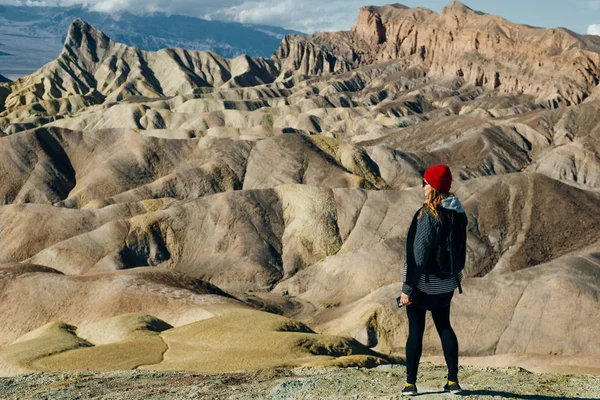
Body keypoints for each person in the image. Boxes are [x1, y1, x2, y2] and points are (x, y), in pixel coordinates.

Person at [400, 164, 468, 397]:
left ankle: (410, 384)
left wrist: (407, 289)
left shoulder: (429, 214)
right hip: (447, 285)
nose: (423, 186)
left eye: (426, 182)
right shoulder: (458, 213)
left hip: (422, 285)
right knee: (445, 327)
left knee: (415, 331)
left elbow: (418, 255)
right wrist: (454, 278)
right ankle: (453, 382)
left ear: (434, 187)